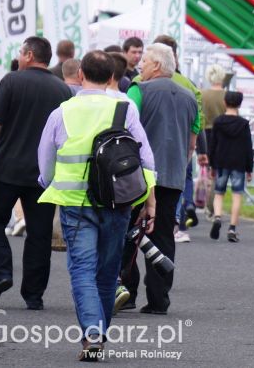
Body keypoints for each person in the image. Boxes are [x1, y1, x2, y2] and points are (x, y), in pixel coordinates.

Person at [37, 50, 157, 361]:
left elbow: (46, 161)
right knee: (107, 271)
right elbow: (146, 158)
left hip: (75, 203)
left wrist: (48, 182)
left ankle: (92, 334)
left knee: (82, 269)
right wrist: (148, 200)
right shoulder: (125, 107)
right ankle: (100, 333)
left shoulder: (62, 112)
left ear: (80, 75)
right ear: (112, 78)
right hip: (117, 202)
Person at [0, 36, 73, 309]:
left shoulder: (11, 81)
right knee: (39, 235)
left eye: (20, 52)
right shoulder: (62, 90)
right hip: (44, 174)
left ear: (29, 55)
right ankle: (34, 295)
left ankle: (0, 273)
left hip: (7, 168)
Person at [122, 42, 197, 315]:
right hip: (174, 176)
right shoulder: (189, 97)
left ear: (156, 65)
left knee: (128, 232)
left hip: (140, 176)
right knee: (164, 235)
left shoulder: (137, 89)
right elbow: (192, 142)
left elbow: (127, 130)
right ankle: (159, 300)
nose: (140, 65)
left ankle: (126, 292)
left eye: (145, 61)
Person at [153, 35, 206, 241]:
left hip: (152, 147)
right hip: (181, 145)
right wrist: (198, 148)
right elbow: (197, 120)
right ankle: (178, 221)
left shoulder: (141, 83)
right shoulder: (189, 85)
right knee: (180, 183)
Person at [208, 91, 252, 243]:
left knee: (219, 193)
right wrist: (249, 168)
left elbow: (212, 145)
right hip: (239, 163)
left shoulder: (218, 122)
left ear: (225, 103)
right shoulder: (244, 124)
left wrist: (211, 165)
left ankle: (218, 217)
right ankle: (232, 228)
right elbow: (248, 147)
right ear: (240, 104)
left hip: (221, 162)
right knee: (237, 195)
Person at [201, 64, 227, 217]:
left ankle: (209, 205)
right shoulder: (227, 95)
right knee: (219, 172)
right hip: (223, 135)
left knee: (209, 170)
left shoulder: (203, 94)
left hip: (206, 134)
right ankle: (215, 206)